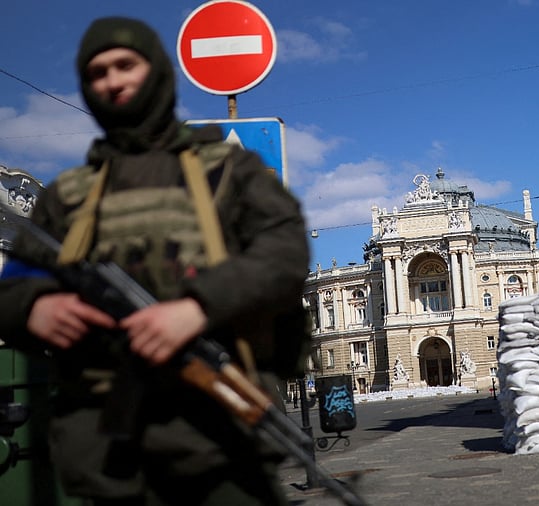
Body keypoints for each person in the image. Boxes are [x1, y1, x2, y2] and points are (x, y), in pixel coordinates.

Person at [0, 17, 309, 505]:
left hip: (218, 438)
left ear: (158, 71)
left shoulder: (229, 170)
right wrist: (36, 305)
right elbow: (14, 283)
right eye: (97, 72)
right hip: (105, 451)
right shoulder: (68, 196)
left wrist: (197, 308)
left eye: (126, 64)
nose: (113, 80)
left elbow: (285, 254)